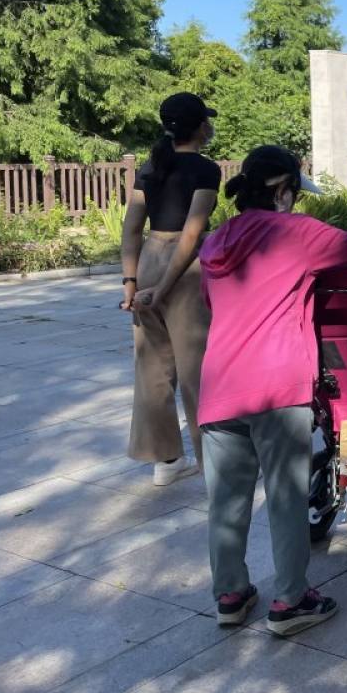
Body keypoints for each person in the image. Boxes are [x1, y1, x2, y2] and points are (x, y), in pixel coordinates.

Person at [197, 145, 347, 635]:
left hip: (218, 386)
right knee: (285, 496)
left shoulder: (215, 243)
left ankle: (230, 595)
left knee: (227, 500)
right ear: (283, 191)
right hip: (276, 386)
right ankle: (291, 600)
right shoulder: (297, 232)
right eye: (295, 194)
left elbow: (210, 302)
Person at [120, 92, 220, 485]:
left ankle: (165, 461)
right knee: (198, 369)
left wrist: (130, 283)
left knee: (152, 368)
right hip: (185, 269)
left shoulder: (151, 167)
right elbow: (191, 234)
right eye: (207, 121)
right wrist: (163, 288)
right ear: (200, 127)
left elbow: (131, 228)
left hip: (149, 259)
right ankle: (213, 461)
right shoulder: (206, 170)